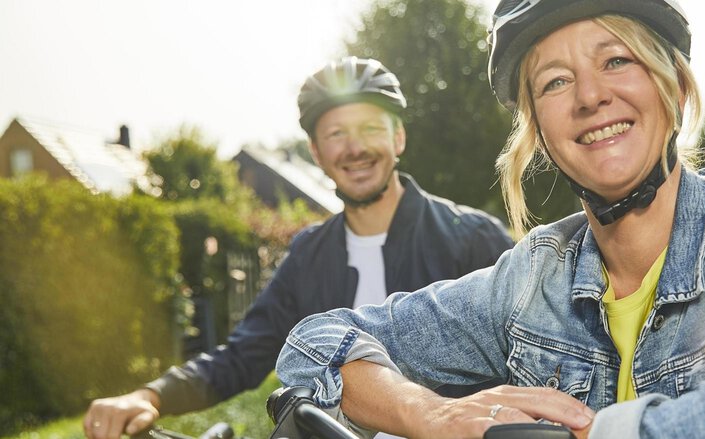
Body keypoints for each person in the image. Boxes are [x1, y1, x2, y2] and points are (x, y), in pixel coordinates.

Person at [276, 0, 705, 438]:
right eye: (556, 81)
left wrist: (587, 433)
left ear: (677, 90)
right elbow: (315, 340)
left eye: (616, 59)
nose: (589, 96)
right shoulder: (530, 282)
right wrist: (428, 412)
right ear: (539, 133)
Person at [83, 57, 514, 439]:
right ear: (316, 152)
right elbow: (243, 354)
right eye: (336, 134)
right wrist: (150, 396)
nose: (355, 148)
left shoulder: (473, 238)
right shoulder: (308, 254)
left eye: (370, 128)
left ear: (397, 137)